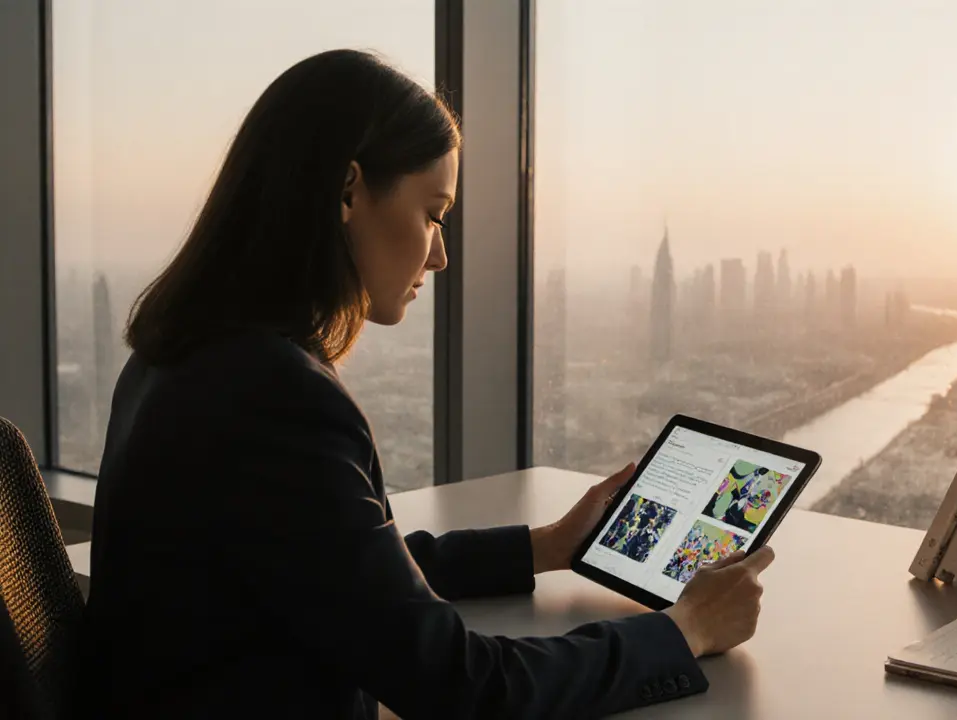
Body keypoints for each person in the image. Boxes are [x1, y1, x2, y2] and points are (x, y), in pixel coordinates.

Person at [78, 49, 775, 719]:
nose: (440, 253)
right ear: (348, 191)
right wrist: (683, 631)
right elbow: (465, 688)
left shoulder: (178, 356)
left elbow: (342, 575)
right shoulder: (277, 397)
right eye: (433, 213)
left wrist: (549, 545)